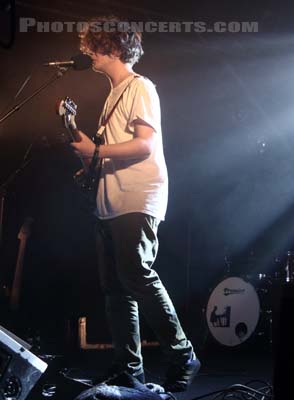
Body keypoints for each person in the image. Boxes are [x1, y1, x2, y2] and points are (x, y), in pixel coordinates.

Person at [70, 16, 200, 392]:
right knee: (115, 289)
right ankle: (130, 369)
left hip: (137, 195)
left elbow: (145, 143)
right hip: (110, 200)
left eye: (92, 47)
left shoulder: (140, 87)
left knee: (137, 275)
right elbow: (111, 151)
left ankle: (182, 352)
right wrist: (91, 162)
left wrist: (96, 151)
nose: (88, 54)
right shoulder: (113, 96)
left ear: (110, 47)